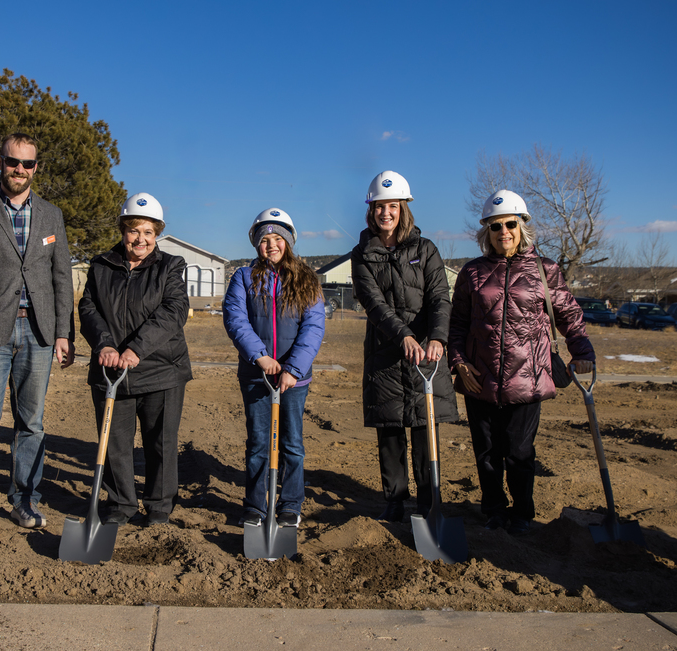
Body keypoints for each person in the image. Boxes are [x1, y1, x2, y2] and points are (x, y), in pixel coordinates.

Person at [448, 189, 595, 536]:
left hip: (527, 378)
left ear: (522, 225)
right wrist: (459, 362)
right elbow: (457, 324)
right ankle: (494, 512)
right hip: (479, 379)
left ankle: (522, 514)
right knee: (486, 453)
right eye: (495, 226)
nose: (504, 232)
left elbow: (569, 314)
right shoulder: (472, 272)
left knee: (518, 452)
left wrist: (583, 352)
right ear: (486, 231)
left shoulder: (546, 271)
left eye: (510, 224)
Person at [0, 132, 75, 533]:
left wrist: (63, 332)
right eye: (12, 162)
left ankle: (25, 500)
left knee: (31, 424)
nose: (19, 170)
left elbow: (61, 278)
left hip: (39, 333)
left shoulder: (52, 215)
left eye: (27, 164)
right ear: (0, 162)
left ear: (36, 168)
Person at [350, 171, 459, 522]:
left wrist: (438, 337)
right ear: (371, 210)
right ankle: (395, 501)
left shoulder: (426, 250)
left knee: (426, 431)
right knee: (391, 432)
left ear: (403, 209)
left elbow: (440, 298)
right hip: (386, 354)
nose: (386, 213)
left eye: (392, 206)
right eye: (380, 206)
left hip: (427, 353)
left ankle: (429, 504)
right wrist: (403, 336)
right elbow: (374, 304)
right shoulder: (362, 254)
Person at [77, 192, 192, 526]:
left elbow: (173, 312)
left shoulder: (170, 266)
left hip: (161, 371)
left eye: (148, 232)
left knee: (161, 443)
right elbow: (88, 308)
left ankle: (158, 505)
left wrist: (136, 349)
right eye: (134, 230)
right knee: (115, 444)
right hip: (111, 370)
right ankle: (120, 504)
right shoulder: (101, 265)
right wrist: (105, 345)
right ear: (123, 230)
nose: (140, 239)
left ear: (156, 235)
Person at [223, 208, 325, 528]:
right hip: (257, 375)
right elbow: (236, 319)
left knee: (291, 444)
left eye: (278, 238)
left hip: (294, 379)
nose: (271, 245)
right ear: (256, 244)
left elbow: (314, 326)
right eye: (265, 239)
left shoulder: (306, 278)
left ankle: (290, 503)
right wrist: (261, 357)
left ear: (288, 242)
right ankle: (255, 504)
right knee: (258, 443)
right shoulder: (243, 277)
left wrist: (292, 368)